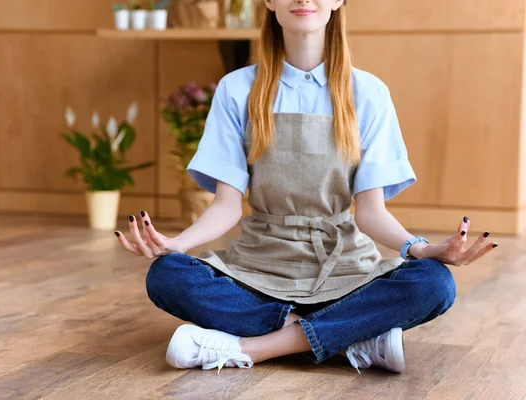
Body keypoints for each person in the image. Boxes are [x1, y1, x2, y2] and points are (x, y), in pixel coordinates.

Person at [115, 0, 498, 375]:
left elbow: (370, 213)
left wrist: (423, 248)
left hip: (345, 267)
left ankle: (252, 347)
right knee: (167, 275)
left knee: (433, 283)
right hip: (258, 265)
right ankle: (352, 337)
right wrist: (176, 245)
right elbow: (227, 206)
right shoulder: (236, 89)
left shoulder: (368, 93)